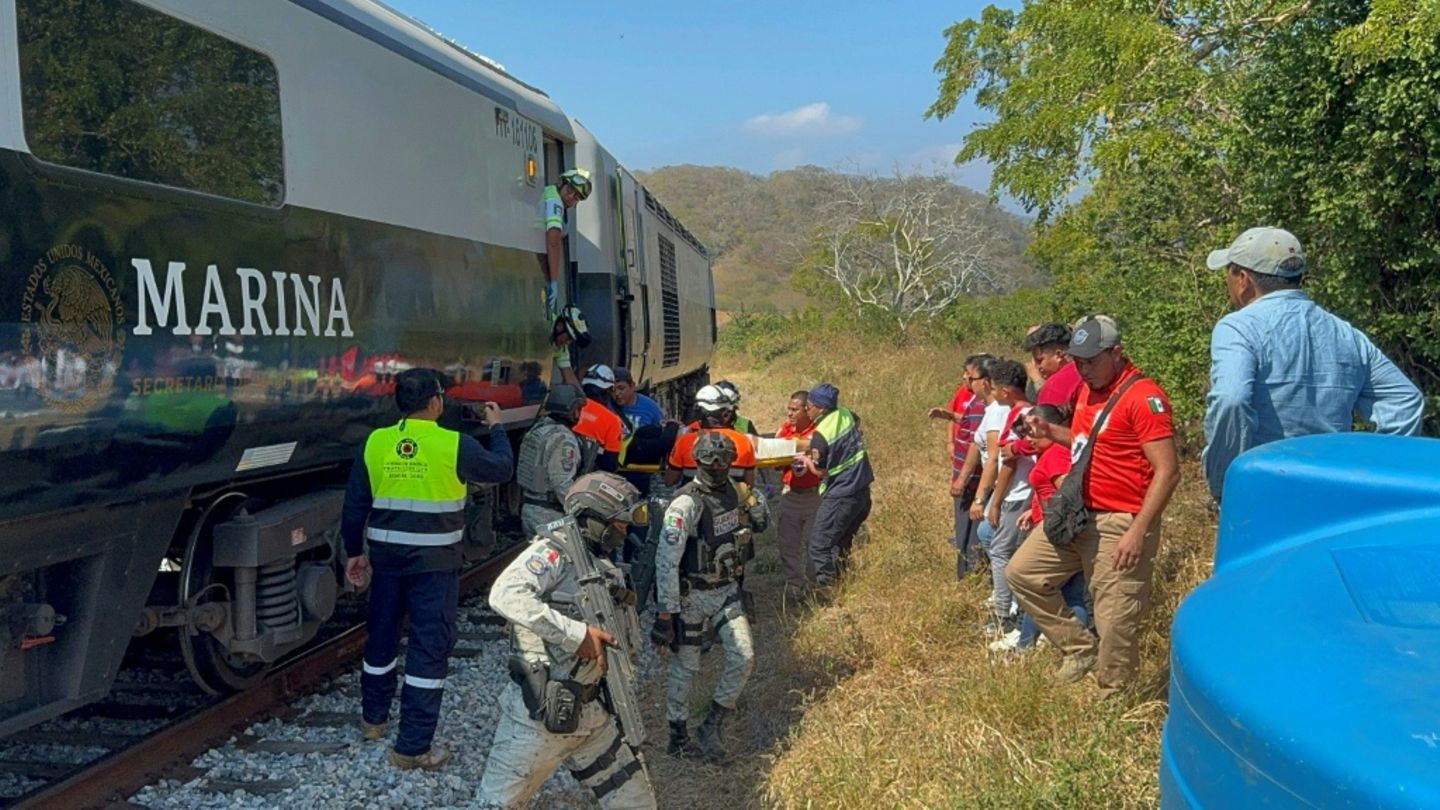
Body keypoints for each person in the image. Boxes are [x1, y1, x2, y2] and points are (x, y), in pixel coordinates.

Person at [340, 368, 514, 770]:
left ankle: (374, 720)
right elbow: (501, 469)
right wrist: (498, 428)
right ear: (435, 402)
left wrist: (354, 552)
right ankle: (413, 746)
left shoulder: (376, 443)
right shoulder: (455, 444)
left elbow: (354, 506)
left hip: (386, 560)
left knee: (380, 637)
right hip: (434, 566)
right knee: (428, 646)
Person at [1007, 316, 1181, 695]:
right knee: (1022, 572)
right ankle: (1079, 649)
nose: (1083, 369)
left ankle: (1114, 704)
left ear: (1116, 353)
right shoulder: (1088, 391)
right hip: (1079, 513)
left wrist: (1138, 531)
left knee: (1115, 619)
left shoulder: (1143, 398)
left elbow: (1167, 471)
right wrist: (1050, 432)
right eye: (1078, 361)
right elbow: (1090, 444)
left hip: (1122, 520)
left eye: (1091, 361)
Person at [1203, 227, 1424, 500]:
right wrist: (1383, 477)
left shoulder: (1238, 328)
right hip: (1331, 490)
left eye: (1229, 272)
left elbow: (1231, 400)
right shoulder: (1345, 333)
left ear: (1243, 279)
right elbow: (1405, 401)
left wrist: (1226, 481)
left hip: (1264, 492)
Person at [478, 473, 656, 808]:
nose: (625, 532)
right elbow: (505, 594)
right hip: (541, 720)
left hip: (592, 715)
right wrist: (576, 636)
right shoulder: (553, 552)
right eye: (620, 524)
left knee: (635, 800)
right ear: (596, 520)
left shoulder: (597, 561)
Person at [653, 432, 768, 761]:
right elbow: (667, 559)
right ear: (696, 461)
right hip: (692, 598)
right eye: (709, 461)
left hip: (727, 591)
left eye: (723, 461)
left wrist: (759, 517)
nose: (716, 467)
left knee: (743, 656)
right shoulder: (686, 504)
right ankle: (677, 735)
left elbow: (756, 521)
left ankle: (712, 722)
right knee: (686, 668)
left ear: (731, 462)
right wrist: (666, 615)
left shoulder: (739, 492)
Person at [992, 404, 1092, 653]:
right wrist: (1033, 510)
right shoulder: (1052, 454)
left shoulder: (1057, 454)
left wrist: (1050, 520)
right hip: (1051, 527)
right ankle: (1059, 647)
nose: (1027, 440)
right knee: (1064, 591)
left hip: (1059, 534)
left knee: (1043, 587)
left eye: (1030, 434)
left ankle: (1040, 647)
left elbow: (1066, 494)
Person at [794, 383, 874, 587]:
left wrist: (806, 460)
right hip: (862, 491)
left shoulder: (821, 436)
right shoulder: (845, 413)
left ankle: (829, 590)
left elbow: (820, 472)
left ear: (821, 408)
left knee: (819, 545)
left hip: (842, 494)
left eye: (809, 406)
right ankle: (844, 582)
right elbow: (857, 422)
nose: (806, 409)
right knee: (841, 543)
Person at [982, 360, 1035, 634]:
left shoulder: (1019, 416)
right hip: (1028, 493)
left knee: (1000, 551)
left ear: (1004, 390)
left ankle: (1005, 615)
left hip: (1018, 495)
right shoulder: (1034, 412)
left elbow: (1009, 463)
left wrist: (997, 502)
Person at [929, 355, 990, 580]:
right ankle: (966, 576)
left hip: (972, 482)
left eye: (970, 375)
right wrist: (949, 416)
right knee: (965, 531)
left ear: (985, 380)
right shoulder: (975, 401)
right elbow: (967, 422)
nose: (965, 377)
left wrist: (962, 479)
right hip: (970, 480)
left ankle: (970, 578)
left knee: (969, 534)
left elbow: (977, 445)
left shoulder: (983, 406)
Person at [517, 384, 586, 536]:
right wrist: (582, 509)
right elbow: (561, 483)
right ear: (572, 410)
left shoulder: (537, 430)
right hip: (550, 515)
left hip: (530, 508)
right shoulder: (563, 439)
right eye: (579, 409)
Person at [664, 384, 757, 487]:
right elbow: (749, 484)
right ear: (725, 413)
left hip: (695, 499)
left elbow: (670, 481)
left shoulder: (684, 441)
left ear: (699, 412)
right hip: (733, 500)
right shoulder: (744, 441)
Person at [777, 390, 822, 588]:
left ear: (806, 409)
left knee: (815, 544)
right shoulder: (784, 431)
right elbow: (775, 463)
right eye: (789, 409)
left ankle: (816, 583)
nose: (790, 414)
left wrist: (796, 447)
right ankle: (795, 585)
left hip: (814, 496)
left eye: (795, 410)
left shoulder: (819, 431)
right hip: (790, 495)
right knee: (788, 545)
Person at [542, 169, 593, 319]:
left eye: (577, 197)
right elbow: (553, 242)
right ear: (561, 184)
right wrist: (554, 280)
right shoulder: (554, 201)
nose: (571, 197)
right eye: (570, 190)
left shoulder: (549, 193)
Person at [575, 365, 626, 472]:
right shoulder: (612, 421)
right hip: (583, 478)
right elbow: (610, 465)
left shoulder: (569, 407)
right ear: (608, 391)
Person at [1025, 323, 1084, 408]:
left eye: (1039, 360)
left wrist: (1039, 382)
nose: (1036, 366)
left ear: (1059, 355)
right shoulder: (1089, 370)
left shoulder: (1055, 386)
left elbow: (1045, 419)